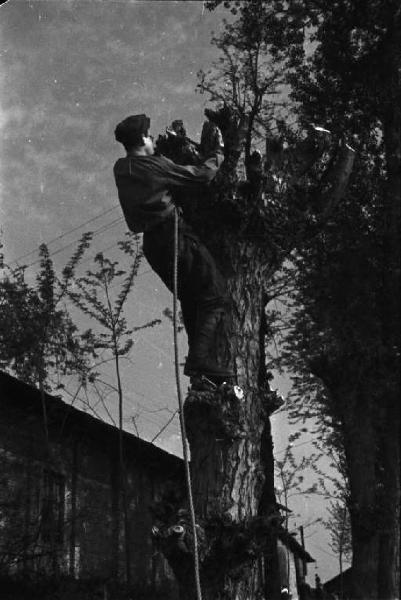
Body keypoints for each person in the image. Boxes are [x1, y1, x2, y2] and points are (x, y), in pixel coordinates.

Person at [113, 113, 233, 380]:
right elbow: (202, 175)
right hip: (174, 235)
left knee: (191, 299)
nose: (154, 139)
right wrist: (218, 154)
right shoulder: (155, 165)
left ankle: (199, 363)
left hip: (154, 246)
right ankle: (200, 360)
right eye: (150, 134)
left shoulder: (122, 169)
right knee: (216, 296)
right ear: (143, 139)